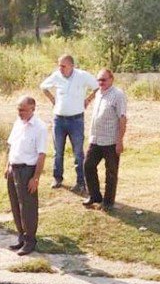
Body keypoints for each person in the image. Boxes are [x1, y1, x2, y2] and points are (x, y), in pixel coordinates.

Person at [40, 54, 98, 193]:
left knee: (78, 153)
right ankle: (57, 178)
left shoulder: (82, 76)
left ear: (72, 65)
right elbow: (43, 86)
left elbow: (97, 87)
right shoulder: (56, 76)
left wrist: (88, 100)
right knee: (58, 151)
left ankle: (81, 182)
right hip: (59, 119)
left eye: (63, 66)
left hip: (76, 120)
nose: (60, 68)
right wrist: (53, 100)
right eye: (59, 65)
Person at [5, 96, 47, 256]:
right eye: (18, 109)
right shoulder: (18, 123)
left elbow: (42, 155)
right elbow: (11, 146)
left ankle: (30, 240)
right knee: (15, 204)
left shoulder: (39, 128)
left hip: (27, 170)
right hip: (13, 168)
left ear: (32, 109)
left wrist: (35, 177)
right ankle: (21, 236)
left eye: (22, 110)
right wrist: (7, 165)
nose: (20, 112)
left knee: (27, 206)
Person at [83, 69, 127, 211]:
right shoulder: (98, 93)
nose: (101, 83)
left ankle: (108, 202)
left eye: (104, 80)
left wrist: (119, 140)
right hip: (95, 139)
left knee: (111, 172)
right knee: (88, 166)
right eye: (99, 80)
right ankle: (95, 196)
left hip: (110, 141)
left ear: (111, 79)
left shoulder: (118, 95)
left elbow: (122, 118)